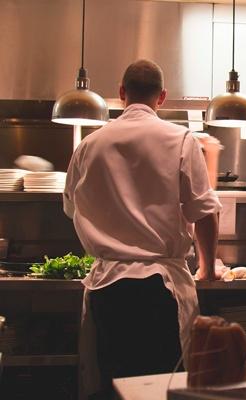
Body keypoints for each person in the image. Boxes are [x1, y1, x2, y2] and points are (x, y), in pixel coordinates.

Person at [63, 59, 222, 399]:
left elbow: (71, 208)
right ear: (161, 97)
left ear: (121, 94)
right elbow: (205, 212)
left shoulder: (88, 145)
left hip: (107, 288)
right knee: (162, 388)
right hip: (158, 290)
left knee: (114, 386)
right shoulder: (180, 139)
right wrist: (207, 267)